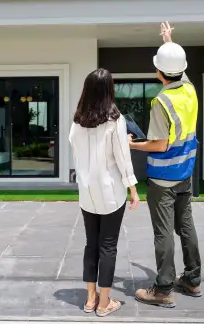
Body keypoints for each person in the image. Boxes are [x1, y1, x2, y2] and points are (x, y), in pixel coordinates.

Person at [129, 22, 202, 308]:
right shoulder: (190, 90)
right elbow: (178, 69)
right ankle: (193, 280)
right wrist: (169, 42)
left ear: (158, 72)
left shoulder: (162, 101)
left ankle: (162, 289)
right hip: (185, 173)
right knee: (186, 227)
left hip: (163, 178)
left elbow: (159, 145)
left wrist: (131, 144)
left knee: (163, 233)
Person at [69, 68, 140, 317]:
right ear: (109, 90)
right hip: (111, 193)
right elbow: (123, 158)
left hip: (87, 192)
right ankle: (104, 303)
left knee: (91, 244)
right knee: (108, 246)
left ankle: (90, 299)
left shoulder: (77, 121)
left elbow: (76, 156)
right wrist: (133, 188)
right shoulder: (115, 120)